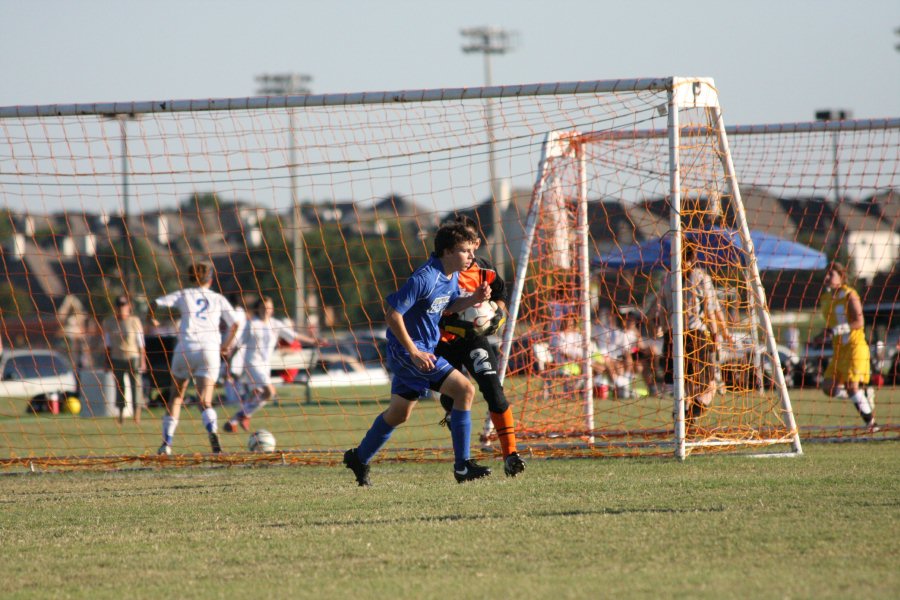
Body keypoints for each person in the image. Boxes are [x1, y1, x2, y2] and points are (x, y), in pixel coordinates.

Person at [343, 221, 492, 486]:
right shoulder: (424, 278)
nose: (471, 256)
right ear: (447, 251)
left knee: (399, 413)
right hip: (409, 352)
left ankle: (359, 457)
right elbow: (393, 315)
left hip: (421, 350)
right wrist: (413, 352)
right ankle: (462, 466)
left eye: (472, 250)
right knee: (465, 390)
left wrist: (474, 298)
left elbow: (448, 305)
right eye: (465, 251)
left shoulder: (451, 275)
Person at [435, 216, 525, 477]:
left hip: (474, 339)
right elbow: (431, 310)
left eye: (473, 241)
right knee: (451, 396)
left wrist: (497, 314)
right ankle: (460, 447)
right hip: (442, 342)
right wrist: (455, 318)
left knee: (494, 391)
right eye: (465, 244)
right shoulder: (439, 272)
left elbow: (500, 294)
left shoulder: (485, 269)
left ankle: (511, 454)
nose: (471, 248)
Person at [150, 263, 240, 455]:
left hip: (185, 348)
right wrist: (226, 346)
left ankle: (166, 444)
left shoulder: (184, 294)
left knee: (175, 397)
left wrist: (151, 317)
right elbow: (235, 324)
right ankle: (212, 432)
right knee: (204, 401)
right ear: (211, 280)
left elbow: (155, 303)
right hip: (209, 350)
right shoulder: (218, 298)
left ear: (192, 278)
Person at [654, 244, 730, 427]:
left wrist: (664, 333)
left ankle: (685, 421)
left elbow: (661, 311)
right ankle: (691, 414)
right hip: (696, 336)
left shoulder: (667, 279)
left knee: (686, 386)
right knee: (711, 385)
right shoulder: (701, 277)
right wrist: (716, 334)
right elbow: (710, 310)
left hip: (673, 337)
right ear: (694, 256)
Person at [223, 295, 298, 433]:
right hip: (252, 363)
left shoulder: (275, 324)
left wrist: (314, 340)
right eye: (263, 307)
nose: (266, 310)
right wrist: (229, 361)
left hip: (265, 366)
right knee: (269, 392)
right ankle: (242, 416)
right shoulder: (252, 324)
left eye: (269, 307)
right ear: (258, 308)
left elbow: (294, 336)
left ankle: (234, 421)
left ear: (272, 309)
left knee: (258, 395)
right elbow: (239, 344)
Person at [819, 262, 878, 431]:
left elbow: (859, 322)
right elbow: (831, 324)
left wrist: (837, 330)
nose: (827, 277)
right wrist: (822, 335)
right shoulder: (826, 298)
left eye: (831, 274)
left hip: (855, 347)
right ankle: (862, 395)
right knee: (828, 387)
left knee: (852, 387)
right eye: (826, 274)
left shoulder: (850, 294)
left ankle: (871, 424)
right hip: (839, 350)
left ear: (842, 277)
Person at [102, 295, 147, 424]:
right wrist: (107, 361)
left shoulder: (134, 321)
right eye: (119, 305)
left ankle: (137, 415)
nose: (121, 308)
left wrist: (143, 361)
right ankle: (121, 414)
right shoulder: (109, 322)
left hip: (133, 358)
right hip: (117, 358)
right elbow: (108, 344)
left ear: (129, 306)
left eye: (124, 305)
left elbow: (141, 343)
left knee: (136, 386)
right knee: (119, 387)